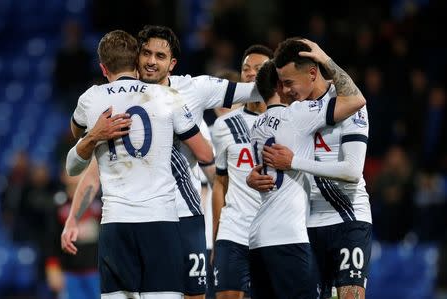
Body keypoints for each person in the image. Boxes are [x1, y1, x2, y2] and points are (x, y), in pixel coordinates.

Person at [67, 25, 264, 299]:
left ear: (172, 64)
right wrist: (73, 218)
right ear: (135, 56)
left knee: (193, 295)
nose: (151, 61)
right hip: (152, 216)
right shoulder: (121, 98)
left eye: (160, 56)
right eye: (146, 53)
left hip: (185, 213)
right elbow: (94, 170)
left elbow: (253, 93)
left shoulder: (194, 88)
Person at [247, 38, 366, 299]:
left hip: (346, 218)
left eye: (289, 83)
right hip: (306, 223)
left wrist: (293, 163)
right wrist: (255, 176)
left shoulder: (346, 102)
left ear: (313, 73)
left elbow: (353, 172)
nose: (285, 91)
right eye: (281, 84)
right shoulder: (295, 111)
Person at [211, 44, 272, 299]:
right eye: (246, 69)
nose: (250, 74)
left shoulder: (291, 119)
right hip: (233, 230)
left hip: (273, 230)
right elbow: (220, 182)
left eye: (258, 69)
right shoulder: (224, 125)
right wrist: (216, 238)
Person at [46, 166, 101, 299]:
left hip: (98, 273)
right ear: (63, 176)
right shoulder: (58, 206)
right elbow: (51, 240)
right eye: (70, 170)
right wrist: (52, 268)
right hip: (69, 273)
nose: (75, 175)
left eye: (80, 170)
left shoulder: (100, 203)